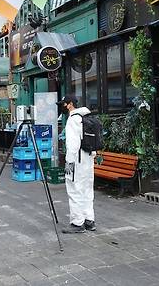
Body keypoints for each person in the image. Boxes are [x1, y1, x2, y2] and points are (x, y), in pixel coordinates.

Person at [59, 95, 96, 234]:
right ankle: (89, 220)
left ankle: (77, 222)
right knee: (87, 189)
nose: (62, 107)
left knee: (74, 189)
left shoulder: (73, 120)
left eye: (63, 104)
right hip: (88, 159)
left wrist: (69, 163)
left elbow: (73, 145)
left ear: (69, 105)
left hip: (77, 160)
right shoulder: (86, 118)